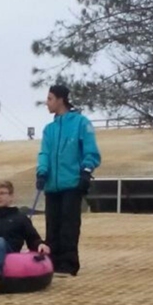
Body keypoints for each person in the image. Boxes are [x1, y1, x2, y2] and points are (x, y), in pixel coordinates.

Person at [35, 84, 101, 277]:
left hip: (72, 183)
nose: (47, 103)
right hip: (52, 185)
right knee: (52, 224)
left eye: (50, 99)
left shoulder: (81, 123)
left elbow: (91, 151)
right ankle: (52, 262)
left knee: (69, 225)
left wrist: (86, 171)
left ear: (60, 100)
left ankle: (68, 264)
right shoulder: (49, 129)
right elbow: (44, 152)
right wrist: (42, 172)